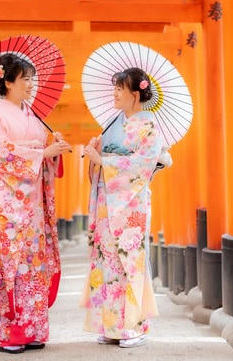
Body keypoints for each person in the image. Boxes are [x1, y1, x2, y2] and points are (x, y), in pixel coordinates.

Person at [0, 53, 72, 354]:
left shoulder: (30, 113)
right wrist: (40, 151)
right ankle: (8, 333)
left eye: (31, 78)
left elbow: (39, 151)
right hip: (8, 201)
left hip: (33, 205)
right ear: (8, 81)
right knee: (11, 263)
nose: (31, 84)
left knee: (33, 263)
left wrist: (52, 149)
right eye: (25, 78)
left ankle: (33, 328)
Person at [81, 67, 170, 348]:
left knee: (128, 262)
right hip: (109, 202)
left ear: (136, 93)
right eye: (115, 88)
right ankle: (111, 326)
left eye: (120, 88)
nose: (115, 93)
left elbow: (143, 165)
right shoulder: (112, 124)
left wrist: (104, 159)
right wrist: (96, 155)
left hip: (131, 206)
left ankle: (133, 326)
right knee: (108, 262)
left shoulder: (149, 127)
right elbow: (100, 161)